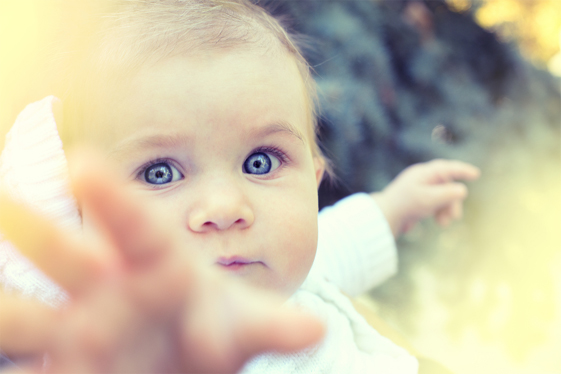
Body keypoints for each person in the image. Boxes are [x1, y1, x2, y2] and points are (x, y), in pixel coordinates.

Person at [0, 1, 480, 372]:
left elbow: (330, 252)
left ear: (313, 181)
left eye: (260, 161)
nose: (226, 206)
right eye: (160, 172)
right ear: (81, 213)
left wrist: (391, 209)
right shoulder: (154, 350)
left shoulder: (283, 280)